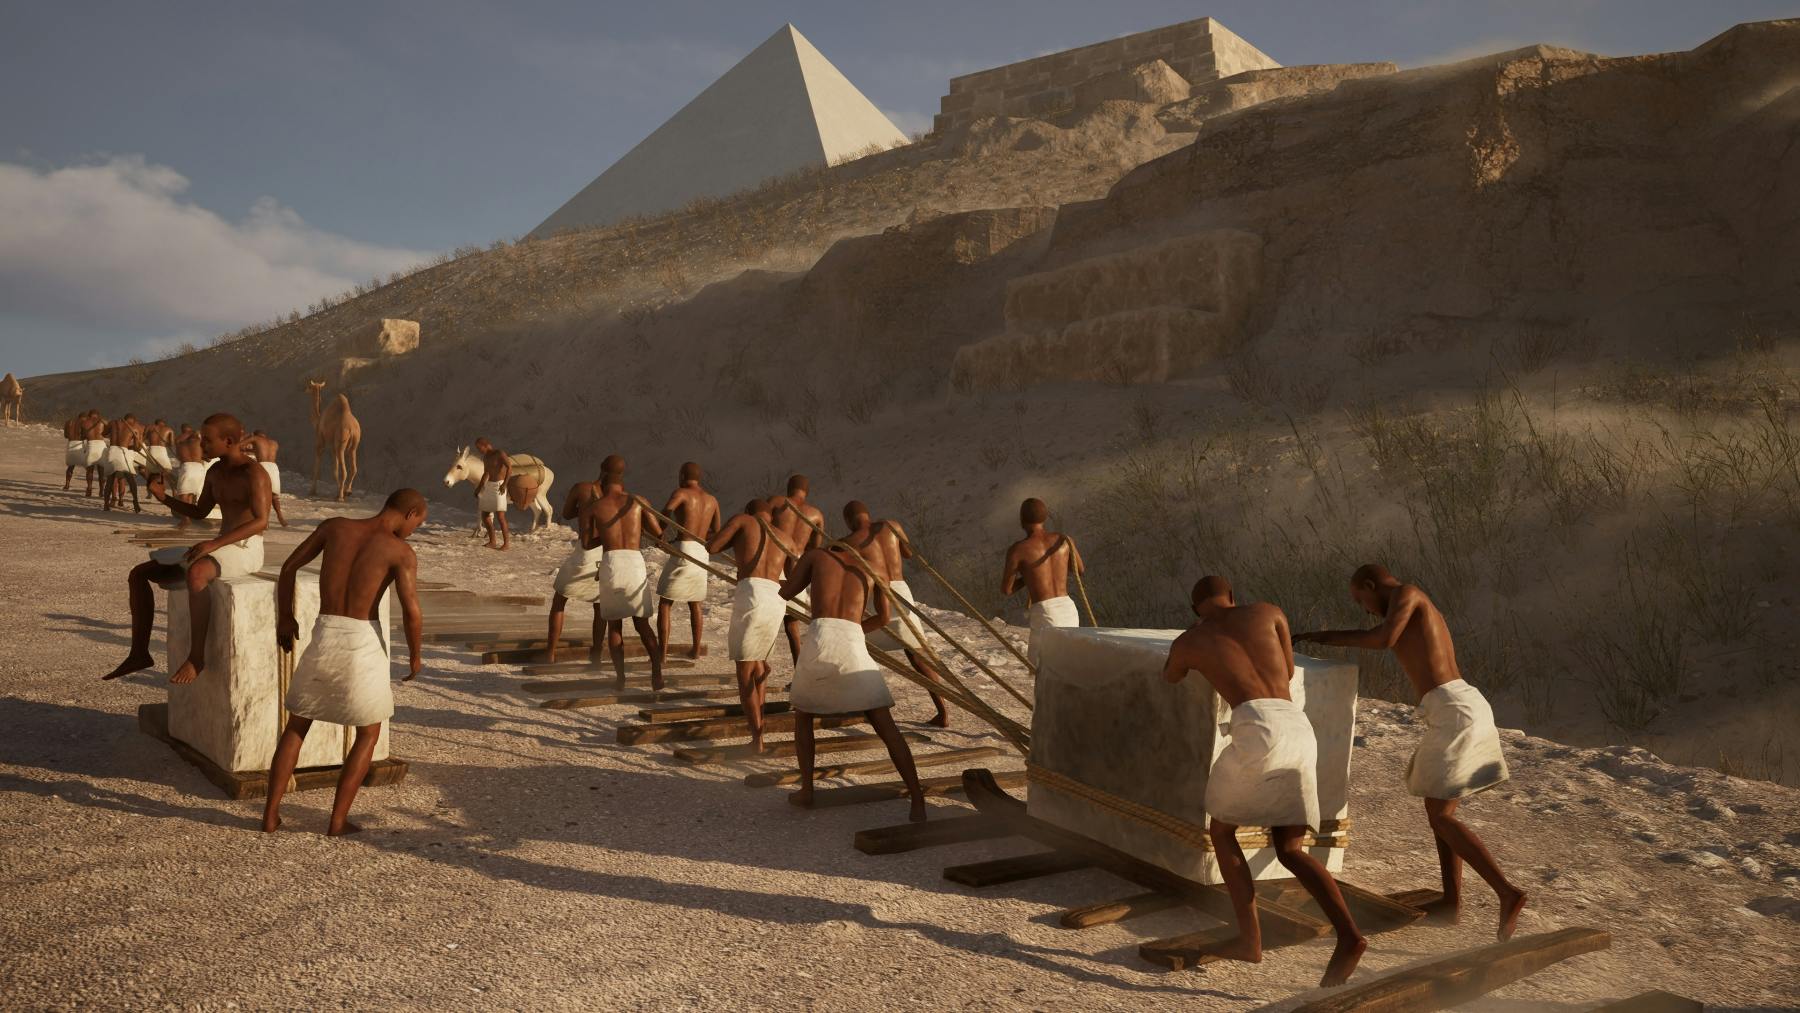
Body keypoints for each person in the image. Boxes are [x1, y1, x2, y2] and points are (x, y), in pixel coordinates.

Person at [1295, 565, 1527, 940]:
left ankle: (1507, 892)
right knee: (1439, 811)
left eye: (1361, 600)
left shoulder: (1408, 594)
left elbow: (1384, 638)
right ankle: (1452, 903)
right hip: (1453, 708)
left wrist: (1323, 637)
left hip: (1456, 711)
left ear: (1371, 585)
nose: (1366, 610)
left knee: (1440, 816)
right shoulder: (1410, 604)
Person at [1162, 576, 1365, 987]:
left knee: (1221, 830)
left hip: (1257, 728)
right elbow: (1288, 670)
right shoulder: (1269, 612)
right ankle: (1349, 935)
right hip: (1296, 726)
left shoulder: (1189, 639)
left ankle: (1249, 939)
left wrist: (1203, 655)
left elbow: (1171, 676)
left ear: (1195, 608)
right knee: (1290, 848)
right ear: (1232, 596)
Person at [263, 489, 427, 836]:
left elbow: (289, 566)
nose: (413, 530)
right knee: (368, 731)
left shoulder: (334, 527)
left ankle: (270, 815)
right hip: (362, 640)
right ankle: (337, 821)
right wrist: (415, 654)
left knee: (297, 725)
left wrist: (285, 618)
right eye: (418, 523)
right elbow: (412, 611)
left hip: (325, 632)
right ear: (411, 512)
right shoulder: (400, 551)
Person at [102, 414, 271, 684]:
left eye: (207, 440)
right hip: (220, 546)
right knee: (139, 574)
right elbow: (199, 511)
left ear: (228, 441)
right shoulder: (215, 471)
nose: (201, 444)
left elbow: (262, 521)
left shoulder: (254, 473)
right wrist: (164, 498)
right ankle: (139, 653)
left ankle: (197, 657)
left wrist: (214, 544)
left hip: (246, 548)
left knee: (196, 573)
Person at [780, 540, 927, 821]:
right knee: (885, 724)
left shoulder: (816, 556)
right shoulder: (874, 569)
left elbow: (786, 592)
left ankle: (807, 790)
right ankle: (917, 799)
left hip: (822, 637)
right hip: (853, 639)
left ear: (834, 547)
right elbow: (883, 618)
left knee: (804, 715)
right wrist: (854, 627)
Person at [844, 501, 949, 727]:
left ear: (848, 521)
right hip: (901, 590)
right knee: (917, 655)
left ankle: (863, 705)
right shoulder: (892, 526)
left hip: (876, 594)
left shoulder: (848, 542)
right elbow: (909, 553)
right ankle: (943, 711)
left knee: (857, 645)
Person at [706, 499, 797, 752]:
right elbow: (795, 576)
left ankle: (757, 739)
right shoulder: (785, 537)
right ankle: (759, 726)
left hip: (752, 593)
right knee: (757, 663)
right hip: (776, 598)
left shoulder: (743, 521)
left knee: (744, 671)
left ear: (750, 511)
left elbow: (712, 547)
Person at [581, 474, 665, 688]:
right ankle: (657, 674)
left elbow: (588, 543)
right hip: (634, 562)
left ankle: (620, 679)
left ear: (602, 481)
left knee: (614, 625)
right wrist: (636, 531)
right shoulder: (639, 502)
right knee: (642, 624)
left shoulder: (594, 507)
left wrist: (608, 536)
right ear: (622, 480)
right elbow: (658, 534)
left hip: (612, 562)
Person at [544, 455, 620, 664]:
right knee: (599, 606)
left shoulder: (582, 488)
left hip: (586, 552)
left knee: (560, 598)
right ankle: (596, 652)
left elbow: (568, 513)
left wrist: (585, 512)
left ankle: (550, 652)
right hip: (607, 553)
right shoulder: (622, 498)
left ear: (601, 469)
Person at [1001, 497, 1084, 666]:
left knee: (1043, 668)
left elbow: (1007, 590)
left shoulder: (1018, 550)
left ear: (1022, 521)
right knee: (1069, 665)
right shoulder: (1064, 540)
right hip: (1068, 609)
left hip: (1046, 613)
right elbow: (1080, 570)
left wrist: (1027, 578)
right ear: (1045, 518)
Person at [656, 462, 721, 664]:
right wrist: (699, 535)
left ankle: (662, 652)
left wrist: (660, 533)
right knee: (695, 602)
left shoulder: (681, 493)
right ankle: (694, 650)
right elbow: (716, 530)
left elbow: (666, 512)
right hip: (701, 551)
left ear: (682, 475)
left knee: (666, 601)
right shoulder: (712, 500)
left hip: (684, 547)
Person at [768, 474, 826, 663]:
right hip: (798, 566)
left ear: (788, 488)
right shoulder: (816, 515)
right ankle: (798, 671)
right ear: (806, 492)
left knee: (768, 621)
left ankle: (759, 669)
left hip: (775, 562)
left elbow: (759, 525)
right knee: (792, 625)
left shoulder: (777, 502)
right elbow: (815, 548)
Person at [472, 437, 512, 550]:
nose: (479, 450)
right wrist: (479, 487)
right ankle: (492, 541)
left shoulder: (499, 453)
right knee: (485, 515)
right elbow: (486, 473)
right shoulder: (486, 457)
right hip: (489, 486)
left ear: (486, 445)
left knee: (500, 516)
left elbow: (509, 467)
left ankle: (506, 544)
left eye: (479, 448)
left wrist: (504, 484)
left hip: (499, 486)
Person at [101, 413, 146, 513]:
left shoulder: (113, 423)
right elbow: (138, 448)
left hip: (112, 451)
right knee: (131, 480)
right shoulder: (135, 428)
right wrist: (129, 445)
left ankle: (105, 505)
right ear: (133, 420)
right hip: (123, 453)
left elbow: (103, 434)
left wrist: (113, 434)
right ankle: (136, 503)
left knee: (110, 479)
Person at [246, 429, 288, 527]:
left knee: (259, 494)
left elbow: (240, 445)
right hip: (273, 467)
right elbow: (258, 449)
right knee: (274, 496)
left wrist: (248, 438)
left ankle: (263, 521)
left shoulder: (255, 438)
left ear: (255, 435)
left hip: (262, 466)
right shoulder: (274, 443)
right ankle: (280, 516)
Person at [171, 425, 206, 532]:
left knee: (184, 495)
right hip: (199, 468)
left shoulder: (179, 442)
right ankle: (191, 517)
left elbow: (178, 457)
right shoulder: (199, 441)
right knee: (193, 494)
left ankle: (186, 519)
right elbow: (206, 455)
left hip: (187, 467)